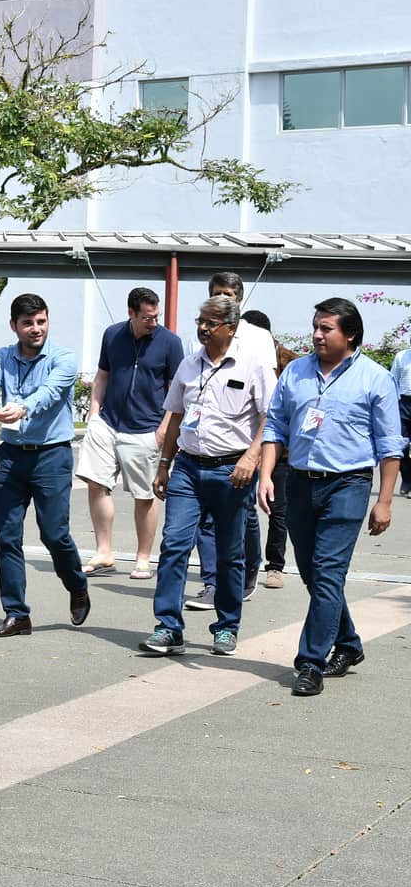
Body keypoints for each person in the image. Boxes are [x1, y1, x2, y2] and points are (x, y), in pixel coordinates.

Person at [260, 298, 401, 696]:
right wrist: (265, 475)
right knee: (313, 574)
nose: (317, 335)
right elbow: (275, 426)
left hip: (348, 485)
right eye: (316, 327)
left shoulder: (375, 379)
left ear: (350, 335)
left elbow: (390, 445)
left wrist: (384, 500)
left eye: (327, 329)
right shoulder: (295, 372)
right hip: (300, 484)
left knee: (327, 572)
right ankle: (349, 643)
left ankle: (310, 663)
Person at [138, 297, 274, 657]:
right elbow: (175, 416)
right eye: (200, 321)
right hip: (187, 467)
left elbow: (271, 417)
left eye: (211, 323)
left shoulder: (254, 363)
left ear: (231, 327)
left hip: (232, 471)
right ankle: (169, 627)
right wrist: (164, 465)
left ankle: (227, 626)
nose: (203, 328)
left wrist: (252, 456)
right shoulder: (189, 363)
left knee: (230, 553)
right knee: (174, 545)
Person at [0, 293, 90, 637]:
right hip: (11, 456)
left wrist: (22, 407)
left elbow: (49, 393)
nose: (36, 329)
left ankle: (76, 584)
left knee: (54, 534)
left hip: (52, 455)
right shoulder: (2, 356)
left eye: (41, 321)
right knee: (7, 537)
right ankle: (16, 613)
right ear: (14, 326)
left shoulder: (63, 358)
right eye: (27, 323)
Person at [76, 287, 183, 580]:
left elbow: (177, 391)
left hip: (147, 429)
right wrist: (94, 414)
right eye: (147, 317)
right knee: (96, 483)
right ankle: (104, 552)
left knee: (144, 495)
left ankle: (143, 558)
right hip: (107, 423)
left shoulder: (170, 342)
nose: (153, 322)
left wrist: (163, 429)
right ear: (131, 313)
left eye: (156, 316)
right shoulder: (112, 335)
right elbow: (103, 375)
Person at [186, 271, 272, 610]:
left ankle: (248, 570)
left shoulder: (258, 337)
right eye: (217, 294)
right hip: (200, 440)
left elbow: (268, 397)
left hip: (242, 444)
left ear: (240, 298)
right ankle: (212, 582)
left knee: (243, 516)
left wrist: (257, 452)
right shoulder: (199, 334)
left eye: (229, 294)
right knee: (204, 518)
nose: (223, 299)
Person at [244, 309, 300, 588]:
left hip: (280, 450)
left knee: (278, 510)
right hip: (243, 449)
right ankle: (244, 563)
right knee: (243, 509)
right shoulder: (240, 359)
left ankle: (275, 566)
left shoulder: (291, 364)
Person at [391, 345, 411, 498]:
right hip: (403, 404)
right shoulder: (401, 356)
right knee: (400, 446)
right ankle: (407, 478)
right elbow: (393, 381)